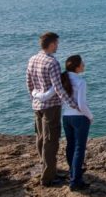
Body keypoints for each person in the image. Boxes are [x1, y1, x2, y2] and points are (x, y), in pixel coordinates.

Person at [26, 32, 79, 187]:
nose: (57, 46)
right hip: (51, 107)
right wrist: (73, 104)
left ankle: (46, 167)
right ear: (51, 44)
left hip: (37, 106)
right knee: (51, 141)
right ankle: (48, 177)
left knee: (41, 137)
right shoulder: (52, 63)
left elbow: (29, 83)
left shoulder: (32, 59)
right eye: (56, 43)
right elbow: (59, 88)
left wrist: (34, 99)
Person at [59, 55, 93, 191]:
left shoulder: (62, 78)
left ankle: (73, 172)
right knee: (79, 149)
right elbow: (82, 105)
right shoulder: (80, 81)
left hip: (66, 117)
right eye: (82, 63)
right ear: (77, 67)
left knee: (70, 146)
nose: (84, 65)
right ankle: (75, 181)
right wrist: (90, 117)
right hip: (79, 118)